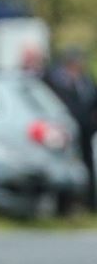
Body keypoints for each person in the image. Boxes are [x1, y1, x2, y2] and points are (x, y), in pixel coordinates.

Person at [44, 46, 97, 210]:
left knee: (87, 165)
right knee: (64, 167)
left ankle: (89, 203)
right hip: (64, 132)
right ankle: (64, 205)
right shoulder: (55, 80)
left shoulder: (86, 80)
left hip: (85, 131)